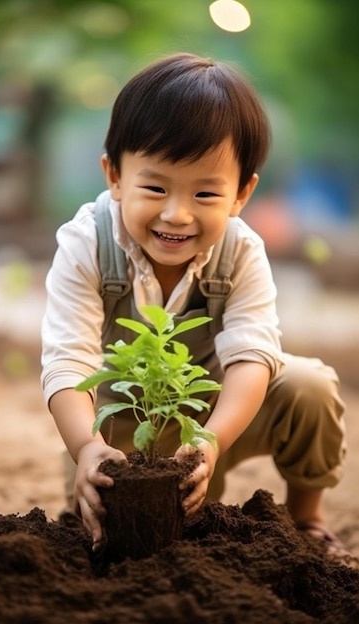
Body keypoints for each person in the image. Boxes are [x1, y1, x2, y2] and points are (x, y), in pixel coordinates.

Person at [41, 52, 356, 567]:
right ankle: (113, 498)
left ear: (242, 193)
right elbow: (68, 359)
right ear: (114, 175)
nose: (176, 214)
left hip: (217, 416)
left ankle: (308, 520)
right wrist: (86, 448)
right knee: (127, 527)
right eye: (155, 187)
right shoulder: (86, 243)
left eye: (206, 192)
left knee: (309, 386)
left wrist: (212, 439)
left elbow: (253, 353)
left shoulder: (241, 251)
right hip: (125, 428)